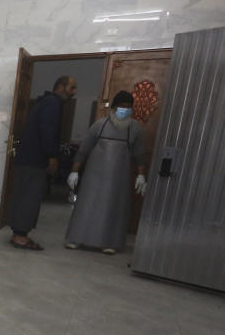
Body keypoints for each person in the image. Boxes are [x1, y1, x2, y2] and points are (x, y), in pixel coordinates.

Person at [64, 90, 147, 254]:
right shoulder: (99, 125)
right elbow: (83, 150)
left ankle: (110, 242)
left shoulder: (134, 128)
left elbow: (139, 154)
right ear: (114, 107)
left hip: (119, 177)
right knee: (87, 204)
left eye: (128, 107)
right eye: (122, 106)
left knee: (115, 207)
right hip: (94, 176)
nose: (125, 109)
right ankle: (77, 238)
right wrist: (74, 172)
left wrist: (141, 174)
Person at [8, 75, 79, 250]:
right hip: (34, 160)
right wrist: (52, 156)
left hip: (28, 159)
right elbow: (48, 131)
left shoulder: (45, 102)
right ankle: (20, 237)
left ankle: (18, 233)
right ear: (61, 87)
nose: (74, 92)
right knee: (29, 198)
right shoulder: (53, 104)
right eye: (72, 88)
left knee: (23, 196)